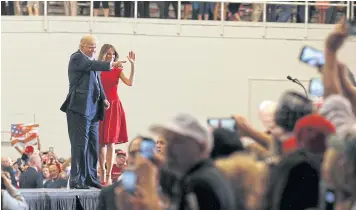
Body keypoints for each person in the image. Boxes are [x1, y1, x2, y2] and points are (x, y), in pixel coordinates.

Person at [61, 34, 123, 189]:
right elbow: (94, 66)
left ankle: (90, 179)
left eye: (96, 47)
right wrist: (111, 64)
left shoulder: (92, 63)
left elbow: (97, 82)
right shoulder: (77, 58)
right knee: (79, 145)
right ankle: (77, 180)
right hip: (78, 108)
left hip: (93, 110)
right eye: (91, 47)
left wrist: (103, 98)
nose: (94, 50)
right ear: (81, 45)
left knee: (93, 146)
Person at [97, 44, 135, 186]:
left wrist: (133, 65)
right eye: (108, 53)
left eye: (113, 54)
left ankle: (107, 176)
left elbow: (130, 82)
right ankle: (101, 171)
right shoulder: (97, 69)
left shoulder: (117, 70)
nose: (111, 56)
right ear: (102, 54)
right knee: (100, 142)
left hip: (113, 106)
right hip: (100, 106)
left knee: (111, 141)